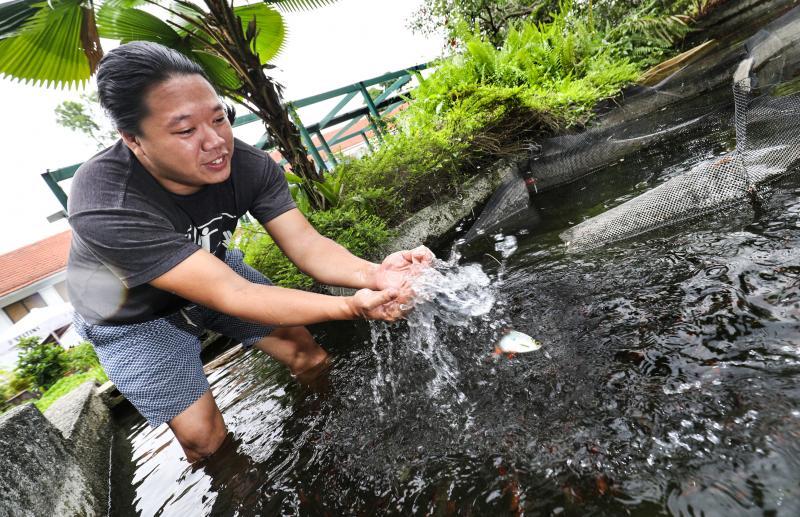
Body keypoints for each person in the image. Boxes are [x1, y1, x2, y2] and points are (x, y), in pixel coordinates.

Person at [67, 41, 433, 463]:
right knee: (204, 439)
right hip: (132, 317)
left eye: (219, 118)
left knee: (308, 354)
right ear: (133, 140)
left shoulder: (248, 165)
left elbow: (307, 244)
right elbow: (234, 296)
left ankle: (329, 439)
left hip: (218, 272)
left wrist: (375, 276)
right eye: (186, 131)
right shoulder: (105, 199)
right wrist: (353, 307)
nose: (215, 142)